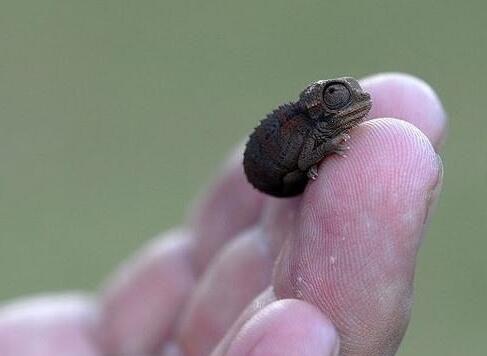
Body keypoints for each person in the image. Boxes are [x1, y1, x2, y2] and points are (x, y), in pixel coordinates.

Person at [0, 73, 446, 356]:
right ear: (318, 105)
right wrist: (324, 150)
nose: (353, 103)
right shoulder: (308, 126)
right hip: (270, 169)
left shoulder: (318, 123)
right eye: (336, 96)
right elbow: (305, 151)